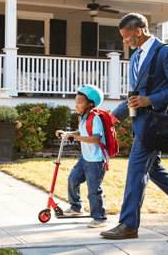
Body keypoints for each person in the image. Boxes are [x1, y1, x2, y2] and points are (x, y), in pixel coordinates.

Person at [100, 13, 168, 240]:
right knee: (153, 168)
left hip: (156, 124)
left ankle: (128, 225)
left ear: (139, 31)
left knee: (136, 168)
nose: (124, 41)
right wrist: (114, 116)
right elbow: (135, 94)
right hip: (140, 123)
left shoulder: (166, 52)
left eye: (126, 36)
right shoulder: (135, 58)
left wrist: (151, 100)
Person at [56, 84, 109, 228]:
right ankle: (76, 208)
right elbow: (81, 132)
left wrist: (76, 138)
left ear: (90, 104)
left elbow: (96, 138)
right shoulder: (82, 117)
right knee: (73, 179)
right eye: (76, 102)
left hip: (96, 160)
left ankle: (100, 218)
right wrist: (68, 134)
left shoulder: (95, 118)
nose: (76, 105)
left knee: (93, 189)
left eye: (80, 102)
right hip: (85, 157)